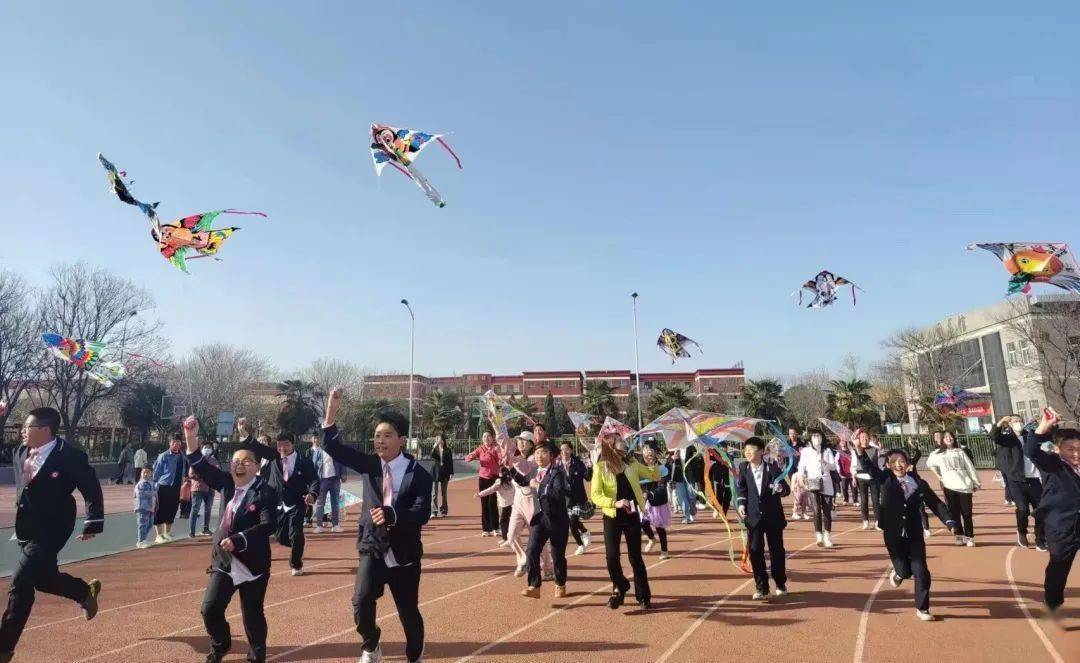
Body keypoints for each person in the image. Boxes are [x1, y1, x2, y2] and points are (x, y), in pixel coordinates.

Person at [320, 387, 432, 663]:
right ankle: (371, 644)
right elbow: (332, 446)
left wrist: (393, 514)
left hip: (404, 551)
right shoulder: (370, 464)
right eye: (377, 435)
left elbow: (422, 511)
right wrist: (332, 410)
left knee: (407, 610)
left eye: (387, 436)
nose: (380, 441)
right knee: (361, 602)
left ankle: (415, 654)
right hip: (373, 545)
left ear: (402, 440)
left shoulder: (419, 474)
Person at [0, 404, 103, 662]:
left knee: (21, 583)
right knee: (43, 579)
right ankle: (83, 592)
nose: (23, 430)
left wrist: (93, 521)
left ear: (45, 430)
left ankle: (3, 648)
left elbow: (90, 487)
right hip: (27, 528)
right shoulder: (21, 451)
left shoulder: (69, 456)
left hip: (55, 526)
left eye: (28, 426)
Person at [182, 416, 278, 663]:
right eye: (235, 461)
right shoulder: (226, 483)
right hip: (224, 559)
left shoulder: (265, 491)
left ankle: (257, 655)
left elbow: (268, 524)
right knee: (210, 609)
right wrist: (190, 435)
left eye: (246, 461)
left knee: (252, 614)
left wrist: (241, 539)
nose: (239, 465)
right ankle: (221, 645)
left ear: (257, 467)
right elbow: (200, 465)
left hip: (252, 563)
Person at [856, 445, 956, 621]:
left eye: (901, 461)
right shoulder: (885, 478)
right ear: (889, 465)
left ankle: (922, 608)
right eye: (894, 462)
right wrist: (860, 451)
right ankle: (899, 573)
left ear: (908, 463)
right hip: (893, 533)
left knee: (921, 570)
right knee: (904, 569)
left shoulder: (918, 483)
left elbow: (936, 503)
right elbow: (870, 469)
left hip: (914, 532)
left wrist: (949, 521)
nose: (898, 465)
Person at [590, 427, 659, 610]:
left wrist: (652, 461)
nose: (625, 442)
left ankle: (644, 596)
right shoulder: (601, 467)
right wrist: (615, 503)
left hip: (632, 515)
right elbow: (595, 496)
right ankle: (621, 586)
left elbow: (654, 475)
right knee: (612, 557)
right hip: (611, 516)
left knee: (635, 557)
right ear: (612, 445)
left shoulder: (632, 463)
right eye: (621, 440)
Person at [1024, 408, 1080, 622]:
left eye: (1079, 449)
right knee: (1058, 570)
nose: (1075, 453)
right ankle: (1052, 604)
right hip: (1061, 527)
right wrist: (1042, 428)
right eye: (1070, 449)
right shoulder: (1053, 464)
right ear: (1059, 449)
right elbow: (1032, 451)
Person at [241, 429, 319, 577]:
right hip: (275, 503)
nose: (282, 449)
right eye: (279, 445)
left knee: (295, 534)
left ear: (293, 445)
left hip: (296, 502)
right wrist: (244, 433)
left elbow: (314, 479)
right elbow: (258, 447)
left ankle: (296, 564)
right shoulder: (274, 456)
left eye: (286, 445)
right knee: (281, 537)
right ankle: (299, 543)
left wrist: (312, 494)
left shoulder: (304, 461)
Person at [736, 436, 791, 599]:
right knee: (755, 551)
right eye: (745, 450)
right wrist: (741, 504)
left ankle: (780, 583)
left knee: (777, 552)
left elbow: (786, 490)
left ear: (761, 451)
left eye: (751, 450)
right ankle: (762, 588)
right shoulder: (743, 467)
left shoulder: (772, 467)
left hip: (773, 516)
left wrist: (779, 487)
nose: (747, 453)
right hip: (753, 517)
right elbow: (742, 489)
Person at [517, 443, 571, 599]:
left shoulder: (557, 472)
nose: (540, 456)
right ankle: (534, 585)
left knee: (557, 555)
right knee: (532, 550)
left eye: (544, 453)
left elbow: (558, 493)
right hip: (540, 518)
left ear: (551, 456)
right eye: (537, 453)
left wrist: (539, 486)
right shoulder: (532, 471)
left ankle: (560, 583)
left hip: (557, 519)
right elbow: (519, 479)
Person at [992, 415, 1046, 550]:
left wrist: (1044, 423)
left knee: (1041, 510)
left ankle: (1040, 539)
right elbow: (994, 436)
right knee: (1023, 510)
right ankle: (1022, 532)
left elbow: (1046, 442)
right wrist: (1000, 422)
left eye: (1019, 421)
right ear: (1009, 424)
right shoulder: (1008, 439)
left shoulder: (1031, 436)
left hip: (1034, 479)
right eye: (1014, 421)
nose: (1018, 423)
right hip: (1016, 479)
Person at [926, 431, 981, 546]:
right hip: (949, 486)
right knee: (954, 513)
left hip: (964, 486)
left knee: (967, 513)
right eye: (946, 437)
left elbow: (969, 467)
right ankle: (958, 536)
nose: (949, 438)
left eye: (950, 437)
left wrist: (975, 482)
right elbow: (929, 464)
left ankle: (970, 537)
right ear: (942, 440)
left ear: (954, 439)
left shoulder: (960, 451)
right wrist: (939, 476)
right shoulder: (937, 454)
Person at [797, 429, 838, 548]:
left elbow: (833, 467)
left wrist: (826, 463)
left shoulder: (827, 450)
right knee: (816, 509)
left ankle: (827, 535)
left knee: (826, 510)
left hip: (826, 481)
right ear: (810, 438)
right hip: (812, 482)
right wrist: (800, 477)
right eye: (814, 435)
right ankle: (819, 535)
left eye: (818, 435)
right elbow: (801, 466)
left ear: (822, 437)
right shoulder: (805, 451)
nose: (816, 437)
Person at [151, 432, 189, 543]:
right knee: (160, 510)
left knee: (172, 510)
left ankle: (167, 533)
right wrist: (154, 486)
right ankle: (159, 535)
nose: (176, 444)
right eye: (174, 442)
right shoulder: (163, 456)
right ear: (170, 443)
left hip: (176, 487)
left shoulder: (183, 456)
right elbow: (156, 473)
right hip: (163, 486)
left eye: (178, 442)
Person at [557, 441, 593, 555]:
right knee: (572, 522)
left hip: (578, 498)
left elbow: (587, 478)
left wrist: (590, 468)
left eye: (567, 449)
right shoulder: (557, 466)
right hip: (566, 500)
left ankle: (580, 545)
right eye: (562, 449)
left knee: (572, 522)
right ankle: (584, 531)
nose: (564, 452)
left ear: (571, 450)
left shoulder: (578, 463)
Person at [464, 431, 502, 536]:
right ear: (482, 439)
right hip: (483, 478)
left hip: (494, 478)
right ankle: (486, 529)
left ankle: (495, 527)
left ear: (492, 438)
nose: (486, 438)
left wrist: (500, 456)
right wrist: (470, 456)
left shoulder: (496, 448)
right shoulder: (480, 449)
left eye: (488, 436)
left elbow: (501, 459)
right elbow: (468, 457)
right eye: (484, 436)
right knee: (484, 503)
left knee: (493, 503)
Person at [640, 445, 672, 560]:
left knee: (659, 527)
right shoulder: (643, 469)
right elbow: (640, 483)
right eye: (646, 457)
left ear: (654, 457)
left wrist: (650, 494)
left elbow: (662, 486)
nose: (649, 459)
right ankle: (652, 539)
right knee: (643, 523)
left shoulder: (661, 469)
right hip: (648, 502)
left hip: (658, 501)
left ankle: (664, 551)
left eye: (651, 456)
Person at [312, 432, 346, 533]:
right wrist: (314, 480)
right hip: (322, 480)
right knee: (320, 503)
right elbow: (314, 466)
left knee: (335, 503)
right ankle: (319, 525)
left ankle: (335, 525)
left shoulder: (337, 450)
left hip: (335, 479)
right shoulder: (318, 451)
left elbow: (343, 462)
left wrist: (344, 473)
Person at [476, 467, 515, 545]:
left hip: (504, 505)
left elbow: (490, 489)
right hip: (512, 504)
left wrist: (480, 494)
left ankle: (507, 539)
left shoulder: (499, 482)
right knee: (507, 521)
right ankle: (506, 538)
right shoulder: (511, 481)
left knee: (503, 522)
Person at [189, 441, 220, 538]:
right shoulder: (196, 460)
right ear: (201, 449)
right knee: (195, 509)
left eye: (209, 447)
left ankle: (206, 528)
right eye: (205, 447)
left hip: (210, 488)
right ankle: (192, 531)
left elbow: (218, 473)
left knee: (208, 509)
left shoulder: (214, 461)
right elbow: (191, 474)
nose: (207, 449)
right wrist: (202, 476)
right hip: (198, 488)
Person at [854, 430, 881, 530]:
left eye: (866, 437)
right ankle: (865, 521)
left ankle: (878, 521)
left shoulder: (875, 449)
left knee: (875, 500)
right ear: (859, 440)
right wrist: (853, 475)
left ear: (869, 439)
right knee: (864, 500)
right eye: (862, 438)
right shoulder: (856, 449)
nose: (864, 439)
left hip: (873, 477)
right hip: (861, 477)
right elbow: (854, 464)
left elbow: (877, 463)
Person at [429, 435, 454, 518]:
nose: (440, 441)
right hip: (435, 472)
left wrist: (451, 473)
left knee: (444, 493)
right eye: (438, 439)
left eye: (441, 439)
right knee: (434, 493)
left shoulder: (448, 450)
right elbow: (431, 455)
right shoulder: (435, 450)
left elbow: (450, 462)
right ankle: (434, 511)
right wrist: (434, 445)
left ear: (444, 441)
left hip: (445, 473)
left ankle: (444, 511)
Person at [134, 467, 158, 548]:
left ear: (151, 474)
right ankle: (141, 541)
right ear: (141, 474)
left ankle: (143, 539)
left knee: (150, 524)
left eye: (148, 472)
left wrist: (156, 504)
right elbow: (140, 494)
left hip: (151, 507)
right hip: (142, 507)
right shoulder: (140, 484)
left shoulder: (152, 483)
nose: (146, 474)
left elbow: (156, 495)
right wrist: (152, 493)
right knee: (143, 524)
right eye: (144, 472)